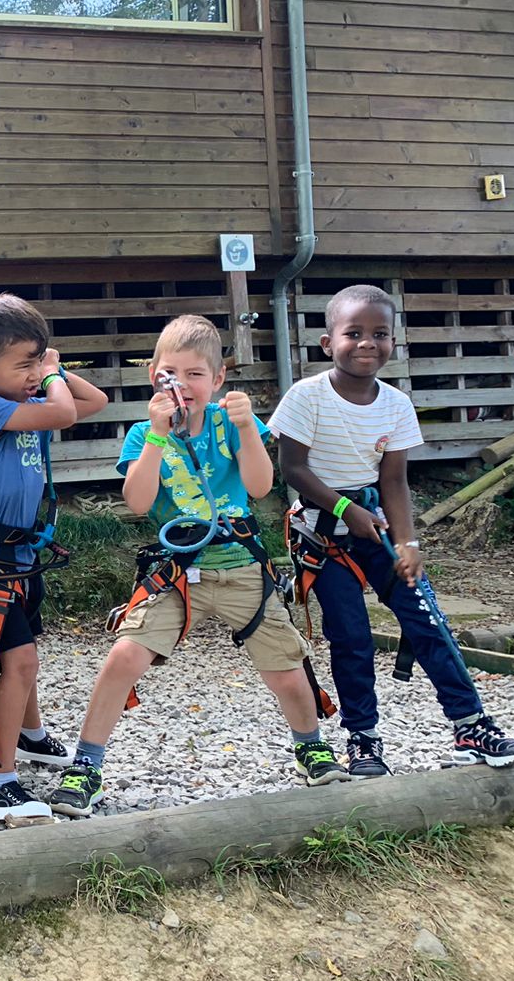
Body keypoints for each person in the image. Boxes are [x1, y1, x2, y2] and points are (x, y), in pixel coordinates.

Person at [47, 314, 350, 819]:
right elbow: (139, 502)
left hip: (242, 569)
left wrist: (247, 430)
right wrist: (157, 439)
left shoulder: (230, 424)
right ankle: (87, 766)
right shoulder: (145, 434)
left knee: (286, 669)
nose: (183, 386)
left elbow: (258, 486)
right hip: (179, 572)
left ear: (218, 380)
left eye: (195, 375)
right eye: (172, 373)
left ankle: (310, 746)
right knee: (123, 658)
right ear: (154, 378)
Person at [270, 284, 514, 775]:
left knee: (428, 622)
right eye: (354, 333)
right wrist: (346, 508)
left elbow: (394, 480)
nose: (367, 343)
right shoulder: (305, 397)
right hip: (323, 533)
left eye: (379, 334)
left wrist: (408, 542)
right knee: (350, 637)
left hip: (379, 527)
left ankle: (471, 725)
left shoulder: (396, 404)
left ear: (393, 342)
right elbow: (294, 471)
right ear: (328, 343)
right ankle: (363, 741)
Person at [0, 295, 109, 825]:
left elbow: (97, 401)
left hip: (21, 555)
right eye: (23, 365)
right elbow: (66, 410)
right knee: (18, 663)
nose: (32, 375)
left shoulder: (24, 400)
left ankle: (32, 737)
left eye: (36, 363)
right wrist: (50, 376)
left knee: (24, 654)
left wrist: (51, 369)